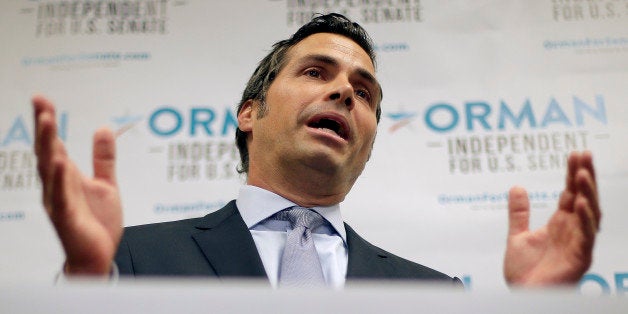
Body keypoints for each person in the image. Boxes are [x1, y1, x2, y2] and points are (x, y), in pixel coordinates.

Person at [32, 14, 600, 288]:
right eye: (315, 72)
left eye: (364, 92)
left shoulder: (431, 295)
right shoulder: (131, 261)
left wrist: (540, 309)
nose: (344, 92)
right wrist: (85, 282)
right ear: (249, 111)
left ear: (371, 140)